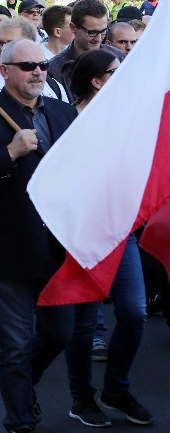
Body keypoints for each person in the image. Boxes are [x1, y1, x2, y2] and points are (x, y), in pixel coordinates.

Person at [0, 39, 79, 433]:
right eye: (27, 66)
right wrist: (7, 154)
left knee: (60, 333)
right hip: (8, 246)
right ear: (4, 71)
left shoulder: (61, 112)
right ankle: (19, 417)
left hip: (57, 246)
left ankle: (24, 384)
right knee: (15, 343)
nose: (38, 71)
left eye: (41, 65)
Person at [61, 48, 153, 426]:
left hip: (121, 232)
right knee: (83, 324)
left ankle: (115, 389)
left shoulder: (130, 120)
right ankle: (82, 398)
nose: (124, 77)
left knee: (134, 313)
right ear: (97, 80)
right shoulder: (65, 119)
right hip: (80, 235)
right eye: (116, 72)